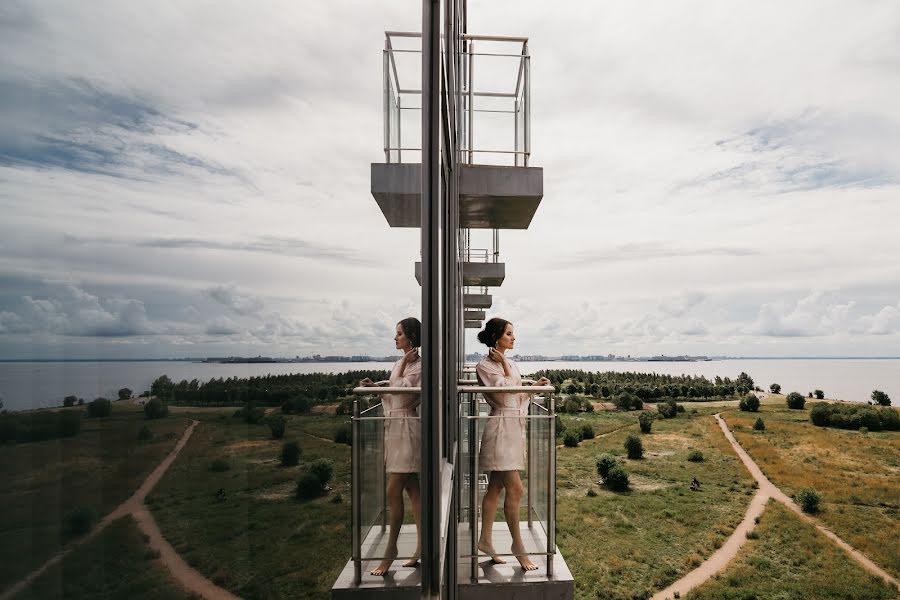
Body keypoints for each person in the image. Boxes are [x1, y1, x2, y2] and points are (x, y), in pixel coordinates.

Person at [475, 317, 551, 571]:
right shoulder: (485, 366)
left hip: (512, 430)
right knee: (516, 489)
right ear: (497, 337)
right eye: (509, 333)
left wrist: (532, 387)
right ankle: (518, 547)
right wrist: (506, 368)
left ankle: (485, 540)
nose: (514, 337)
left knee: (496, 488)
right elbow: (503, 394)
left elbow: (516, 396)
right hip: (501, 433)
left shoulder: (510, 363)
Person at [359, 317, 422, 576]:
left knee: (393, 489)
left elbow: (405, 394)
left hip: (406, 430)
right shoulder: (402, 363)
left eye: (399, 334)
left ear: (410, 337)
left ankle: (390, 551)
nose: (395, 338)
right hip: (396, 428)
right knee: (413, 491)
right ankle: (422, 547)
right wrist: (377, 389)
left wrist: (402, 369)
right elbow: (393, 397)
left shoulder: (418, 365)